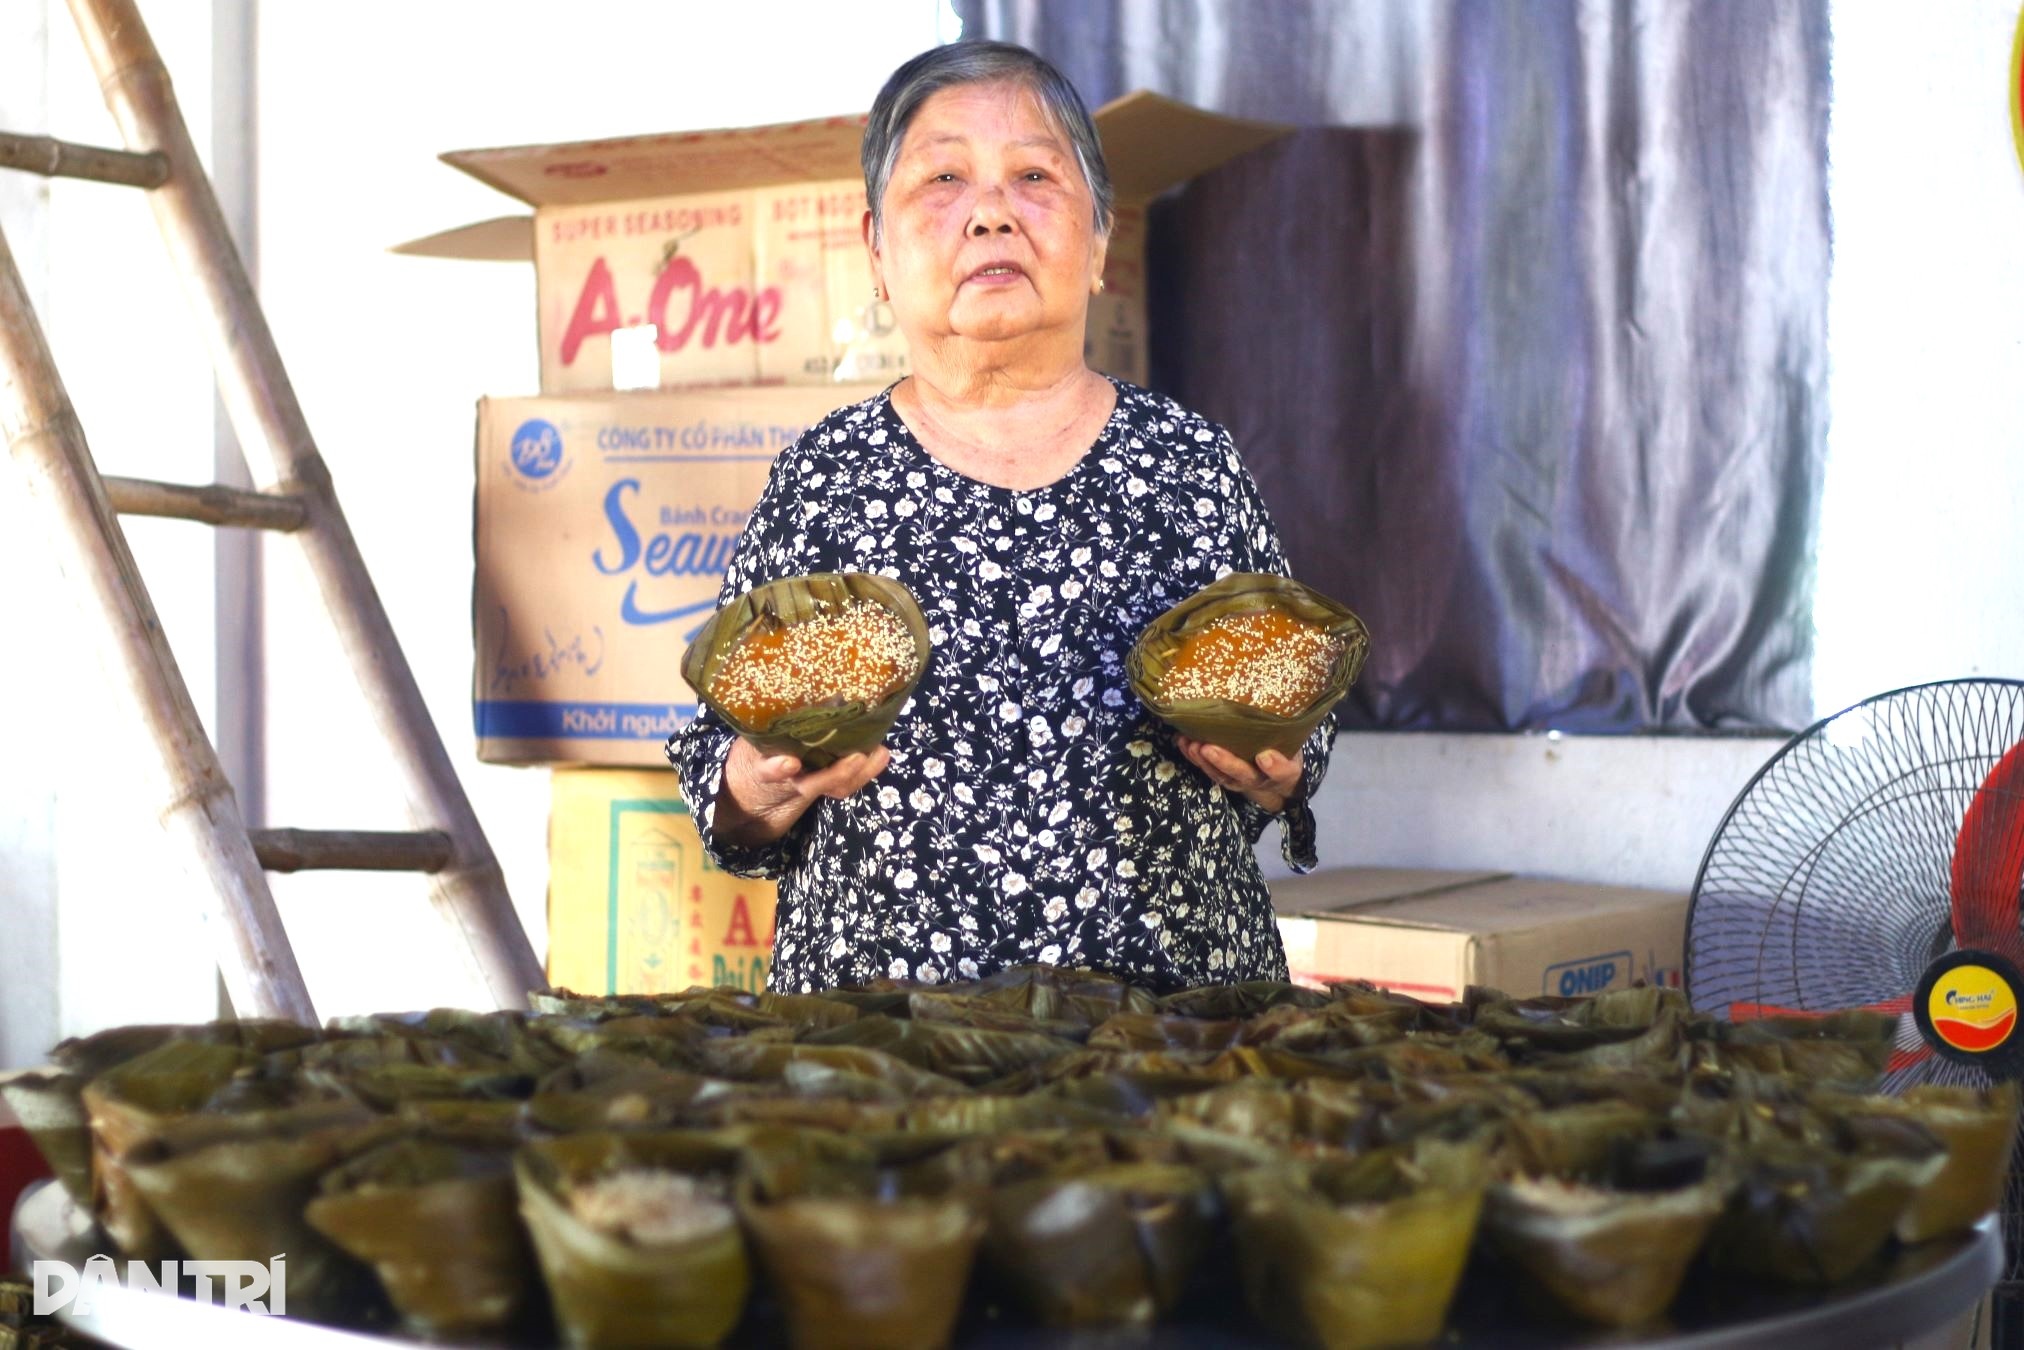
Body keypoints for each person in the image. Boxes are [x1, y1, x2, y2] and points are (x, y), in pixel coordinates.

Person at [669, 39, 1335, 994]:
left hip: (1173, 1041)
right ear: (877, 252)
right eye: (943, 178)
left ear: (1100, 240)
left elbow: (1298, 699)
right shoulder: (824, 479)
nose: (990, 212)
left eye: (1033, 174)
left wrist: (1281, 769)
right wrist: (754, 787)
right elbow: (713, 765)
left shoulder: (1189, 465)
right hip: (885, 1050)